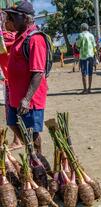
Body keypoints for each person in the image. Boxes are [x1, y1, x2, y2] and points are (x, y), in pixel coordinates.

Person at [4, 1, 49, 162]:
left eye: (12, 16)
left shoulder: (35, 39)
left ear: (24, 18)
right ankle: (32, 154)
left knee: (33, 132)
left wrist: (27, 98)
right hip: (16, 96)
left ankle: (38, 164)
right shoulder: (19, 37)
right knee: (12, 123)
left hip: (29, 99)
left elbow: (38, 72)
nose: (9, 19)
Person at [0, 13, 22, 150]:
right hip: (13, 80)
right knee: (14, 112)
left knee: (13, 114)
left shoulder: (6, 39)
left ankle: (18, 140)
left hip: (10, 81)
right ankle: (18, 139)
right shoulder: (14, 37)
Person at [76, 23, 96, 94]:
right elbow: (94, 45)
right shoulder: (91, 35)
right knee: (90, 72)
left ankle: (85, 89)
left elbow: (77, 45)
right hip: (91, 55)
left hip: (83, 56)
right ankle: (89, 89)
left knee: (83, 73)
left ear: (81, 28)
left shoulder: (80, 35)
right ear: (87, 28)